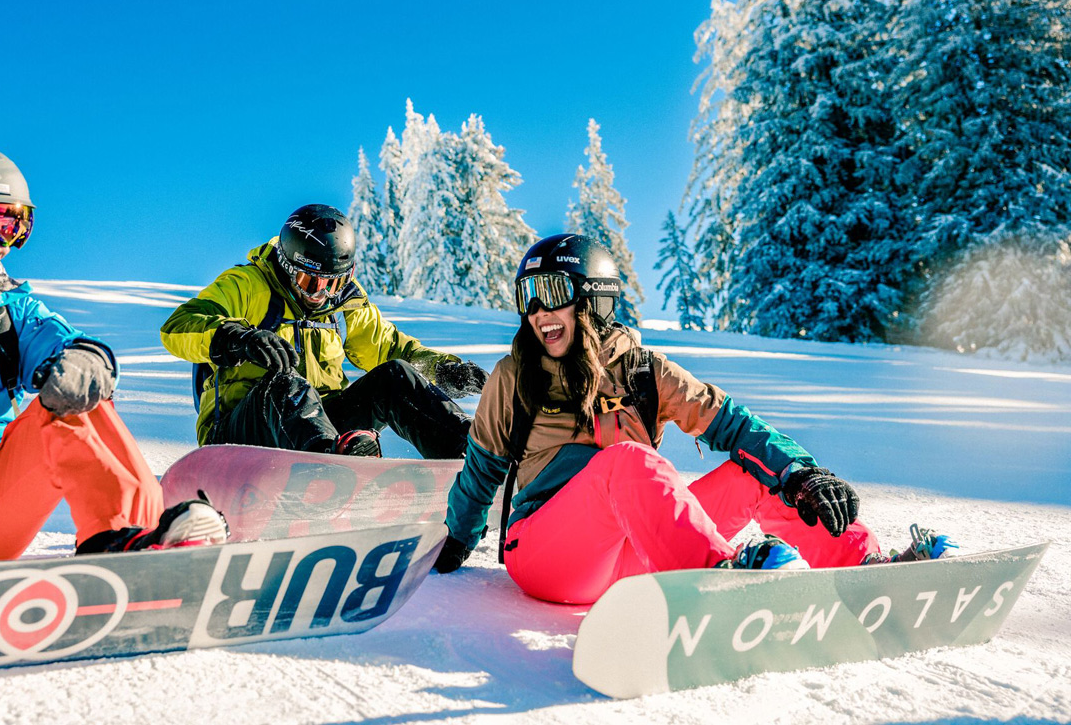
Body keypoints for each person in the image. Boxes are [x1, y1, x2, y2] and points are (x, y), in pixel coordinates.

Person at [435, 234, 956, 604]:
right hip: (548, 554)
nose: (538, 314)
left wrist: (801, 472)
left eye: (551, 296)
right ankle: (716, 581)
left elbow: (732, 424)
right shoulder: (515, 375)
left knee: (759, 473)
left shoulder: (645, 371)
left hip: (634, 554)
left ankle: (867, 571)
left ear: (592, 299)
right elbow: (482, 471)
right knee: (627, 461)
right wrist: (455, 542)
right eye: (528, 300)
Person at [0, 140, 227, 570]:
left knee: (75, 396)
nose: (6, 245)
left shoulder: (7, 308)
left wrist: (86, 361)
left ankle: (122, 547)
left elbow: (63, 341)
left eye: (19, 227)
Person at [160, 203, 487, 459]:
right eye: (309, 281)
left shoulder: (344, 304)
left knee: (396, 377)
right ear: (288, 268)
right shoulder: (249, 285)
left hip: (323, 429)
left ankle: (474, 454)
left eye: (334, 282)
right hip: (243, 433)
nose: (321, 294)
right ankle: (327, 468)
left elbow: (387, 347)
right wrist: (235, 337)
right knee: (285, 384)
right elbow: (177, 327)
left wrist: (442, 369)